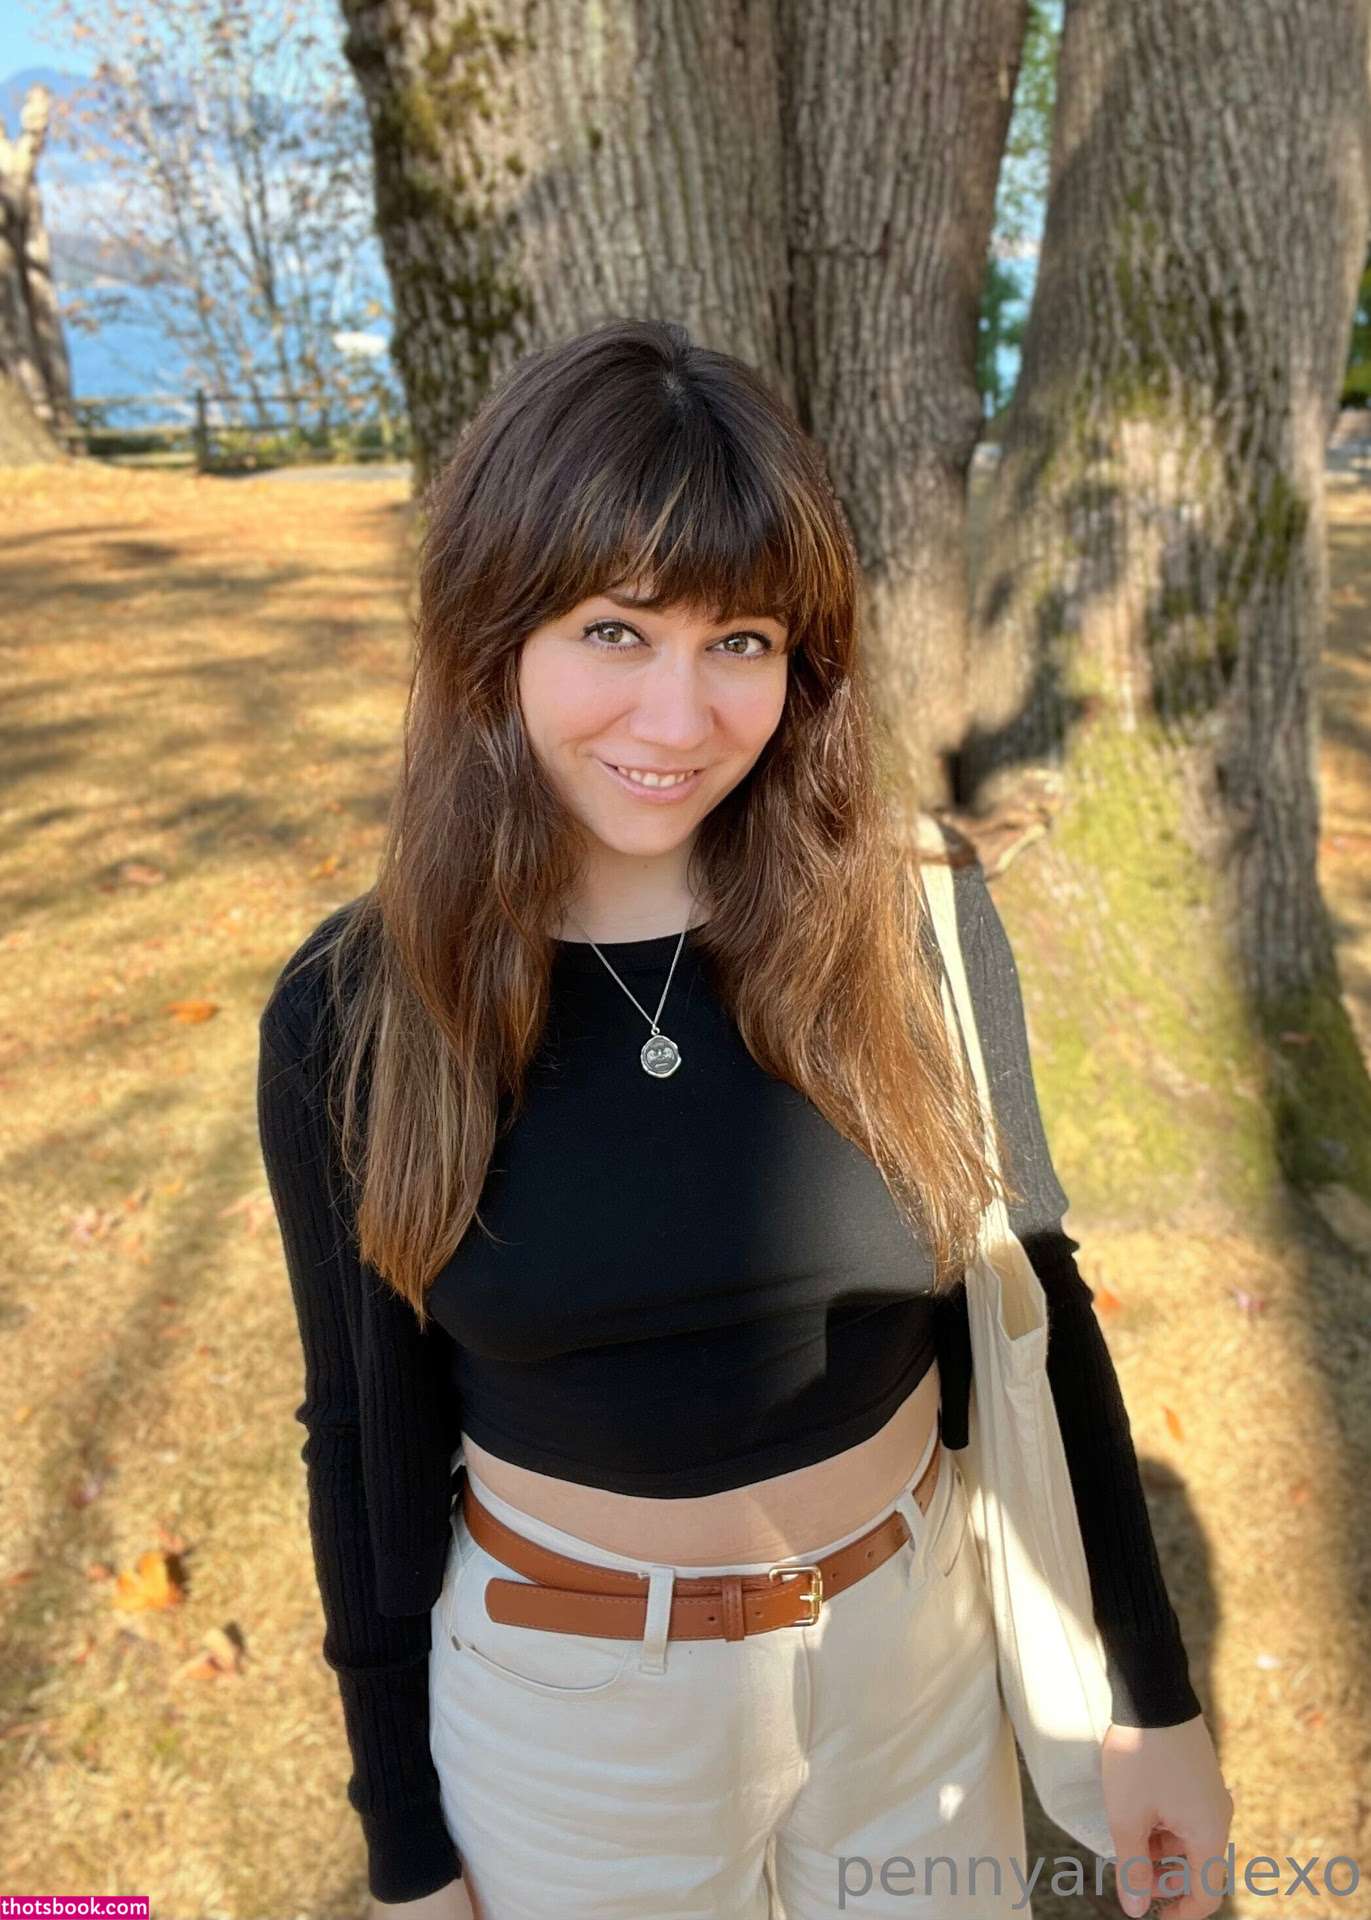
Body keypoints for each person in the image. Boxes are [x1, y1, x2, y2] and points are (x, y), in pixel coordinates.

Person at [256, 317, 1233, 1920]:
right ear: (493, 632)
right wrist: (405, 1847)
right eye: (615, 630)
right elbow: (362, 1433)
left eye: (743, 642)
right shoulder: (359, 1012)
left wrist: (1150, 1694)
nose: (680, 718)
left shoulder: (912, 921)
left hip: (916, 1673)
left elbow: (1039, 1302)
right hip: (574, 1727)